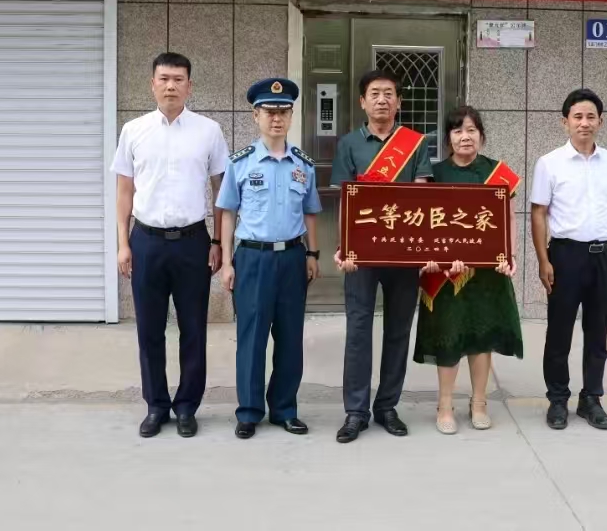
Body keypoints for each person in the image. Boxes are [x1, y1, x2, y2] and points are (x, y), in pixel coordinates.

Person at [111, 52, 229, 439]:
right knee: (149, 330)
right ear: (152, 84)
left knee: (193, 329)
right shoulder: (134, 130)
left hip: (194, 242)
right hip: (146, 241)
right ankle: (156, 405)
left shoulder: (209, 131)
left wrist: (217, 240)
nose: (171, 86)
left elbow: (221, 192)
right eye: (163, 79)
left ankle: (187, 407)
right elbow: (124, 192)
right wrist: (123, 243)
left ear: (190, 86)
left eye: (178, 79)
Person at [216, 78, 322, 439]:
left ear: (291, 116)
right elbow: (227, 213)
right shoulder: (240, 163)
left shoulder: (303, 165)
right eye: (269, 112)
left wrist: (312, 253)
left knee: (290, 337)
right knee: (252, 337)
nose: (277, 118)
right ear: (255, 116)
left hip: (292, 257)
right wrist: (227, 262)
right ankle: (248, 411)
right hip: (253, 259)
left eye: (283, 112)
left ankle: (284, 409)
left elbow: (311, 212)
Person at [332, 69, 432, 444]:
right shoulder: (349, 144)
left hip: (403, 253)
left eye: (389, 93)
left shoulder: (415, 144)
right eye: (374, 93)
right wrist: (345, 247)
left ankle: (387, 406)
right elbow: (345, 201)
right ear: (362, 102)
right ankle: (355, 411)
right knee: (358, 330)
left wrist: (421, 250)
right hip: (363, 254)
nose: (382, 100)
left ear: (399, 101)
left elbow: (421, 199)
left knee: (398, 330)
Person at [414, 106, 523, 435]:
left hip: (486, 274)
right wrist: (427, 257)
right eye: (458, 130)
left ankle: (479, 403)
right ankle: (445, 405)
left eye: (472, 130)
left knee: (481, 337)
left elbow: (508, 218)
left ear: (482, 136)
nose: (465, 136)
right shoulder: (434, 174)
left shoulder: (496, 173)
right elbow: (421, 221)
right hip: (444, 275)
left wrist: (508, 254)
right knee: (449, 335)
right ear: (448, 137)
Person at [530, 87, 607, 432]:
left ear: (600, 122)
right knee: (559, 332)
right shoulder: (549, 163)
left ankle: (591, 399)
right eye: (578, 117)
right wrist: (543, 260)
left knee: (598, 333)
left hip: (604, 256)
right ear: (565, 122)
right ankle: (558, 399)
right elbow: (539, 213)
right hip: (565, 256)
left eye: (591, 117)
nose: (584, 123)